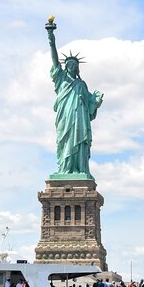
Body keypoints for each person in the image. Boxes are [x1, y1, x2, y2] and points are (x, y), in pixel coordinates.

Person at [46, 17, 103, 176]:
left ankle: (79, 169)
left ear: (77, 68)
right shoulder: (61, 79)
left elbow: (90, 106)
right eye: (68, 64)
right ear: (65, 67)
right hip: (65, 116)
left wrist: (95, 102)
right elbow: (54, 59)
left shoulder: (82, 85)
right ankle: (65, 169)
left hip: (79, 119)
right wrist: (51, 36)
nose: (71, 66)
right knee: (64, 143)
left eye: (74, 65)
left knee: (79, 143)